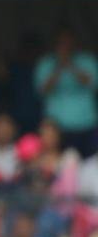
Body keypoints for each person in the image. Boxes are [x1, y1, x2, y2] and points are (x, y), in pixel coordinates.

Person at [35, 27, 98, 157]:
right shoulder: (46, 62)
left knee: (91, 161)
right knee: (59, 162)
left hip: (86, 123)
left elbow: (92, 84)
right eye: (61, 43)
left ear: (74, 42)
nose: (65, 46)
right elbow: (42, 90)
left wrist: (71, 65)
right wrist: (59, 67)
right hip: (56, 127)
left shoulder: (87, 60)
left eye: (68, 42)